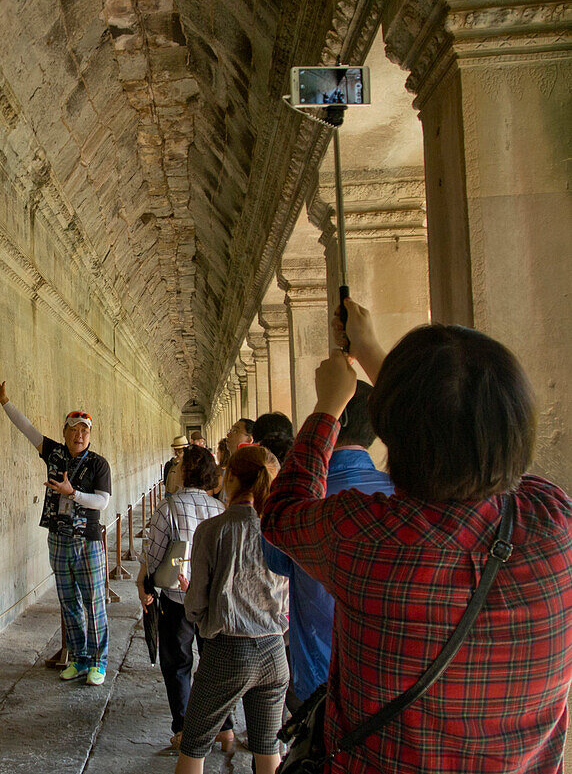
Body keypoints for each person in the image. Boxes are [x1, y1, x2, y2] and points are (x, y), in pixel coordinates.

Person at [261, 300, 572, 772]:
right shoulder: (555, 525)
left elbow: (282, 512)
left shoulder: (365, 537)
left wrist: (328, 406)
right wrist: (372, 354)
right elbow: (481, 444)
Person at [260, 381, 394, 703]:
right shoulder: (400, 494)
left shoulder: (304, 500)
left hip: (321, 677)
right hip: (391, 679)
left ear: (334, 421)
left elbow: (277, 560)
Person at [0, 374, 113, 685]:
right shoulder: (54, 453)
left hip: (87, 540)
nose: (79, 434)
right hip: (58, 537)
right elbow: (28, 430)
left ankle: (98, 662)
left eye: (84, 430)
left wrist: (72, 494)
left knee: (93, 601)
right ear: (65, 432)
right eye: (74, 429)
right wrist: (5, 402)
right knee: (68, 601)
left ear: (89, 435)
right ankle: (79, 658)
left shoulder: (98, 465)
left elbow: (103, 502)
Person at [176, 445, 290, 774]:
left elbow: (196, 602)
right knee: (268, 750)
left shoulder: (213, 530)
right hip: (274, 652)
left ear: (230, 478)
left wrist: (199, 617)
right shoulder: (279, 529)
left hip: (229, 651)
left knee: (193, 746)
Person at [136, 445, 229, 753]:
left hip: (177, 599)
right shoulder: (220, 509)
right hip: (213, 600)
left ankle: (185, 727)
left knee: (177, 663)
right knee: (214, 663)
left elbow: (154, 555)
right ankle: (225, 727)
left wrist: (146, 585)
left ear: (184, 472)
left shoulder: (168, 508)